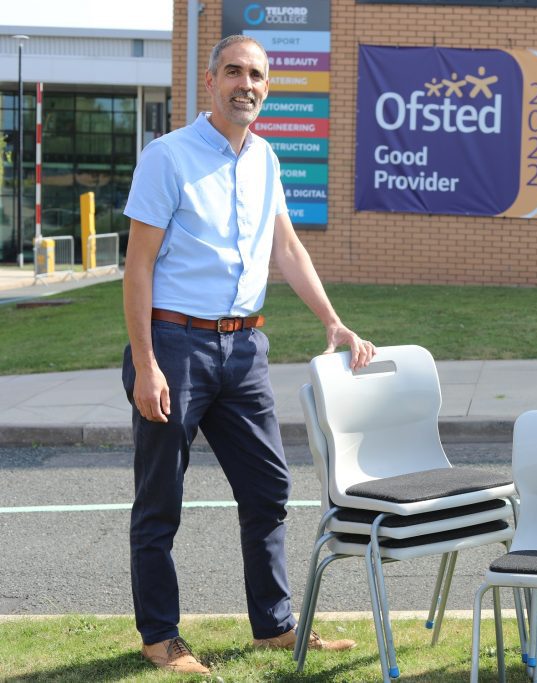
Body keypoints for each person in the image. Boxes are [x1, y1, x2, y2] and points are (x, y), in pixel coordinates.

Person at [121, 35, 376, 674]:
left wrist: (333, 321)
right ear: (211, 81)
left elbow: (286, 247)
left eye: (257, 75)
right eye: (234, 72)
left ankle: (274, 626)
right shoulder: (167, 156)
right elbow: (138, 265)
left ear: (267, 87)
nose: (246, 84)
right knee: (160, 500)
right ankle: (160, 637)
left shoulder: (265, 158)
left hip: (243, 350)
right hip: (175, 346)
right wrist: (146, 363)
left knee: (268, 487)